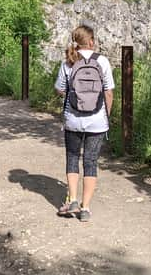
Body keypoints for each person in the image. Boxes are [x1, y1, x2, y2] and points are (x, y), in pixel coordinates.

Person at [54, 24, 114, 222]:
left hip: (73, 120)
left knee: (72, 157)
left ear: (75, 42)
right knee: (90, 162)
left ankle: (72, 199)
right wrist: (106, 115)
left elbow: (60, 89)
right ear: (91, 41)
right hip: (97, 121)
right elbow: (108, 92)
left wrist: (75, 95)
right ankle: (85, 208)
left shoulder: (68, 62)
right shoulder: (102, 61)